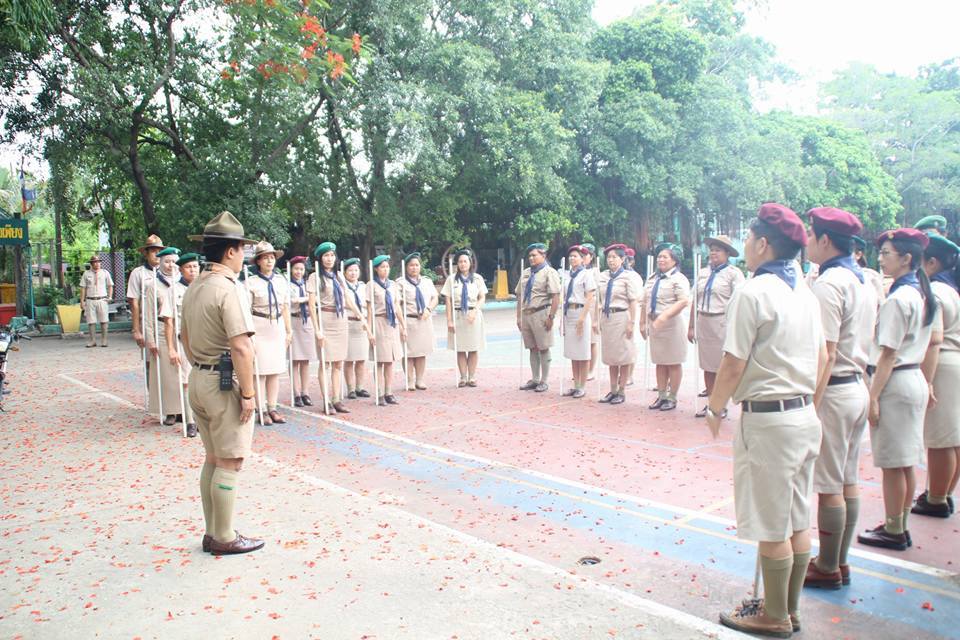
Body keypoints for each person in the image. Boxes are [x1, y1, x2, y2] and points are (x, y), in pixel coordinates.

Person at [706, 203, 827, 637]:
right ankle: (787, 609)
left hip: (769, 421)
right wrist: (806, 405)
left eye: (749, 238)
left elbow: (733, 362)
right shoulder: (805, 292)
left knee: (771, 523)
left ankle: (774, 616)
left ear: (762, 243)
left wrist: (714, 408)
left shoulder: (754, 292)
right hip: (804, 415)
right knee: (796, 519)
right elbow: (823, 357)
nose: (745, 245)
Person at [180, 210, 263, 555]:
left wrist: (202, 365)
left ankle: (212, 531)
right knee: (230, 462)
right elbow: (241, 346)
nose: (244, 256)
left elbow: (184, 338)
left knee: (213, 458)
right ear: (230, 251)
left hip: (199, 376)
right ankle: (225, 536)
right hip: (223, 380)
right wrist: (249, 393)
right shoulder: (229, 289)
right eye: (242, 249)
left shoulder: (195, 286)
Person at [801, 208, 872, 590]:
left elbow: (825, 353)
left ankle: (827, 566)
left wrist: (811, 406)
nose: (808, 241)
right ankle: (839, 561)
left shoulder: (829, 284)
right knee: (847, 480)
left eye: (812, 235)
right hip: (855, 385)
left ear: (825, 240)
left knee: (829, 485)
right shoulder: (861, 278)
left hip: (835, 390)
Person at [858, 229, 939, 551]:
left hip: (895, 381)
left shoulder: (899, 298)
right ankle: (899, 524)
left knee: (893, 464)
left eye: (887, 253)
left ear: (906, 258)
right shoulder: (921, 292)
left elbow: (888, 354)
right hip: (912, 377)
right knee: (905, 462)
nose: (881, 259)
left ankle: (894, 531)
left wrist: (873, 397)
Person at [912, 234, 960, 518]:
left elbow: (934, 340)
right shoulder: (951, 289)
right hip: (954, 363)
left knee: (940, 439)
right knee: (953, 437)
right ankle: (943, 493)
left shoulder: (936, 291)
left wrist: (926, 381)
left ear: (931, 262)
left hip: (942, 364)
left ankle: (937, 498)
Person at [307, 242, 369, 413]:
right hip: (325, 319)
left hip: (340, 320)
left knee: (338, 364)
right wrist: (317, 330)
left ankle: (336, 399)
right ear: (320, 258)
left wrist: (361, 316)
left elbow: (347, 299)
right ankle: (326, 400)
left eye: (332, 255)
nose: (329, 259)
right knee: (325, 363)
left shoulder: (339, 276)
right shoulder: (314, 277)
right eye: (326, 255)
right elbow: (311, 306)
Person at [689, 236, 744, 418]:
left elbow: (739, 301)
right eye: (712, 249)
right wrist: (691, 326)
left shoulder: (733, 274)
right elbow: (695, 300)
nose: (713, 253)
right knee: (707, 366)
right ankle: (711, 403)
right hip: (704, 321)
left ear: (727, 254)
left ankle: (721, 404)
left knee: (721, 366)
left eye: (718, 250)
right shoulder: (703, 272)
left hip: (722, 322)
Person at [245, 241, 292, 425]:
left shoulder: (281, 280)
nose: (269, 261)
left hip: (277, 326)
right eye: (265, 258)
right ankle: (261, 409)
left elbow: (285, 307)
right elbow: (246, 311)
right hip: (259, 325)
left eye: (272, 258)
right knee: (260, 371)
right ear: (258, 261)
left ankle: (272, 407)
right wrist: (250, 336)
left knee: (275, 370)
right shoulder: (251, 282)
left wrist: (288, 331)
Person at [641, 243, 691, 411]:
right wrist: (642, 322)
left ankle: (672, 397)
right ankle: (662, 395)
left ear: (674, 261)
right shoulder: (652, 278)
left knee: (673, 362)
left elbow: (683, 301)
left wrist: (664, 316)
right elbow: (644, 301)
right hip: (655, 324)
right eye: (659, 257)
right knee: (660, 361)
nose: (661, 260)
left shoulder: (679, 279)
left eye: (665, 257)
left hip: (671, 325)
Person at [160, 252, 201, 438]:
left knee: (205, 380)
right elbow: (168, 321)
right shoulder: (173, 290)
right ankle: (190, 421)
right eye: (188, 267)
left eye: (195, 266)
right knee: (186, 382)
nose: (192, 270)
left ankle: (203, 419)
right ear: (181, 270)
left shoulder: (205, 288)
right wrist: (171, 348)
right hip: (183, 341)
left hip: (205, 342)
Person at [597, 244, 640, 404]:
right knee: (611, 356)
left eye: (614, 257)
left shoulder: (628, 277)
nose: (611, 260)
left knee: (624, 355)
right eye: (609, 257)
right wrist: (597, 320)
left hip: (622, 316)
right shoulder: (603, 276)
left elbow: (633, 301)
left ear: (622, 259)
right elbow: (599, 299)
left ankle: (621, 391)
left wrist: (632, 322)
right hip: (607, 317)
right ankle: (613, 389)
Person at [515, 243, 561, 392]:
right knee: (532, 348)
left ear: (543, 256)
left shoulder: (549, 272)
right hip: (527, 314)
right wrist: (519, 317)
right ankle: (535, 379)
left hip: (541, 313)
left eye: (534, 255)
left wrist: (551, 317)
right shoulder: (526, 272)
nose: (531, 258)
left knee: (543, 347)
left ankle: (544, 380)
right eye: (529, 255)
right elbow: (520, 295)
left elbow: (556, 296)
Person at [442, 248, 487, 387]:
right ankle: (462, 377)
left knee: (473, 347)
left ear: (470, 263)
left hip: (473, 315)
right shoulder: (451, 280)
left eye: (465, 261)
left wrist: (475, 311)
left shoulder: (477, 279)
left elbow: (482, 297)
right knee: (460, 348)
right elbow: (448, 301)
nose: (463, 264)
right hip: (458, 316)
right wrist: (449, 320)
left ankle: (472, 377)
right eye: (460, 262)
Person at [150, 247, 184, 426]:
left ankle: (185, 410)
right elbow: (148, 313)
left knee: (184, 372)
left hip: (183, 329)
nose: (171, 265)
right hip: (162, 329)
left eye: (174, 262)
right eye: (167, 262)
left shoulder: (184, 282)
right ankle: (171, 411)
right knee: (168, 373)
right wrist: (150, 338)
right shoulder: (154, 284)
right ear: (160, 263)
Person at [396, 252, 438, 390]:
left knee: (421, 352)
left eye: (416, 265)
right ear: (406, 267)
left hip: (424, 320)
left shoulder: (427, 281)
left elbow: (435, 298)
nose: (414, 268)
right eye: (411, 265)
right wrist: (401, 324)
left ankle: (420, 379)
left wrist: (429, 309)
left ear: (420, 266)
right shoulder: (400, 283)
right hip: (408, 320)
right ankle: (409, 380)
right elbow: (397, 304)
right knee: (408, 353)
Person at [369, 255, 406, 404]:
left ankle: (388, 392)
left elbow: (397, 306)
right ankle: (379, 393)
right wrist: (370, 331)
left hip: (391, 323)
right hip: (378, 322)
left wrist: (403, 325)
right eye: (382, 267)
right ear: (376, 269)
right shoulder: (371, 285)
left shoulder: (392, 285)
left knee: (390, 360)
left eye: (387, 267)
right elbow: (369, 309)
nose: (385, 269)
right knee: (380, 360)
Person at [561, 245, 597, 398]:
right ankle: (575, 385)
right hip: (569, 312)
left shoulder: (586, 275)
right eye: (571, 256)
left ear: (583, 259)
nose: (572, 258)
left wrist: (582, 318)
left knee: (583, 352)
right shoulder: (567, 275)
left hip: (581, 312)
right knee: (573, 352)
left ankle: (582, 386)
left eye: (575, 256)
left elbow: (589, 298)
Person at [287, 256, 317, 407]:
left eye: (301, 269)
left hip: (307, 321)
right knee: (294, 359)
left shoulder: (308, 284)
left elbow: (315, 300)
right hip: (293, 321)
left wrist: (303, 299)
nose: (299, 272)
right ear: (291, 269)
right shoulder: (287, 285)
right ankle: (296, 393)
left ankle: (305, 392)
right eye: (296, 269)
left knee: (305, 360)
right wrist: (307, 299)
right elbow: (291, 301)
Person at [342, 258, 371, 399]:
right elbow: (344, 303)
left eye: (355, 270)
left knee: (361, 358)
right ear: (345, 272)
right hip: (348, 323)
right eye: (350, 270)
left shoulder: (363, 286)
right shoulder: (342, 287)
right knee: (349, 359)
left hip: (362, 325)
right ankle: (350, 389)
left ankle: (360, 387)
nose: (353, 273)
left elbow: (368, 304)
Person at [79, 255, 114, 348]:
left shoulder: (105, 273)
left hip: (102, 299)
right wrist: (82, 301)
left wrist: (110, 297)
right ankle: (92, 340)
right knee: (91, 321)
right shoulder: (86, 274)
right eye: (95, 262)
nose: (97, 264)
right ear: (91, 263)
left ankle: (104, 340)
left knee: (104, 320)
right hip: (90, 299)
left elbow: (110, 285)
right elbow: (83, 288)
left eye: (98, 262)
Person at [581, 243, 601, 381]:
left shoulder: (594, 271)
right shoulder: (575, 271)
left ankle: (591, 370)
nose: (582, 257)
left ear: (591, 256)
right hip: (579, 305)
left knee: (592, 340)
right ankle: (581, 369)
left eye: (585, 255)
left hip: (592, 306)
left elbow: (599, 293)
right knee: (581, 340)